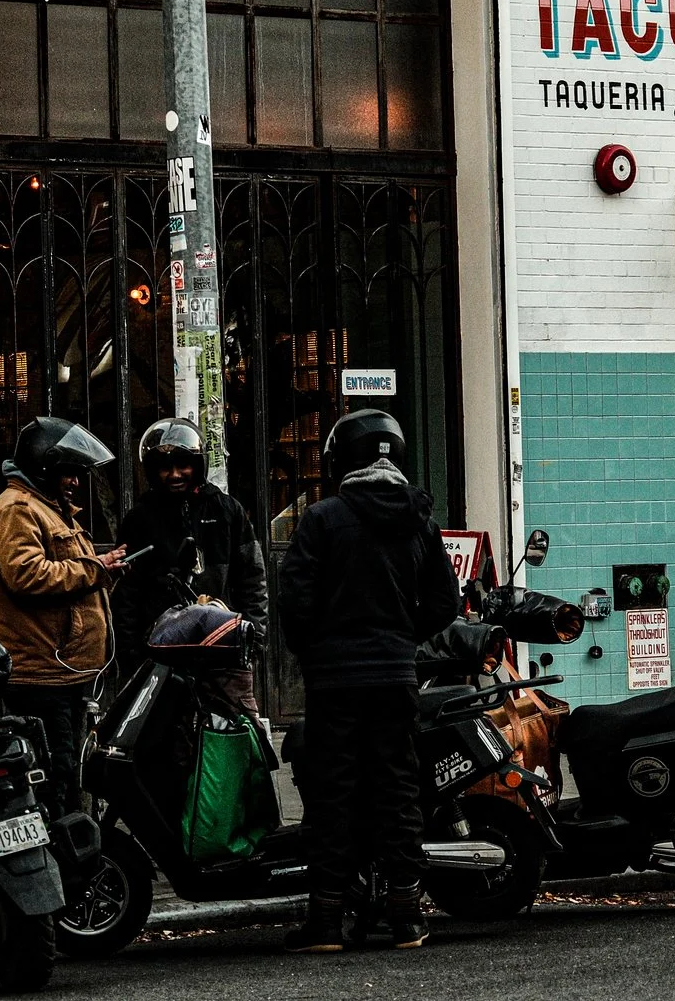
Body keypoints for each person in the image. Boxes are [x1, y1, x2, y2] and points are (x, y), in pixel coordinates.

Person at [276, 408, 460, 953]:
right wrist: (403, 636)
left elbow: (296, 602)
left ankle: (326, 921)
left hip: (334, 681)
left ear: (341, 459)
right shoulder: (419, 520)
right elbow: (445, 603)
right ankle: (406, 914)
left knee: (334, 792)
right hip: (395, 674)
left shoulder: (322, 519)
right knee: (397, 787)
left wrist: (315, 648)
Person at [0, 415, 125, 817]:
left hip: (65, 671)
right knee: (54, 773)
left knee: (65, 770)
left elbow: (70, 577)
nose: (75, 482)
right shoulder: (17, 509)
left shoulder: (51, 509)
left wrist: (103, 569)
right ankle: (54, 865)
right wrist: (96, 568)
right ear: (44, 466)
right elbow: (26, 575)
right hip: (40, 673)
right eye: (69, 473)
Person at [114, 418, 271, 710]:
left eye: (183, 465)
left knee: (234, 732)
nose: (175, 475)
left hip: (224, 648)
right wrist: (131, 654)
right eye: (165, 468)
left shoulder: (227, 511)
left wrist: (252, 639)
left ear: (197, 466)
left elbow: (252, 579)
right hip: (159, 654)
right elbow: (127, 593)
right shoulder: (140, 519)